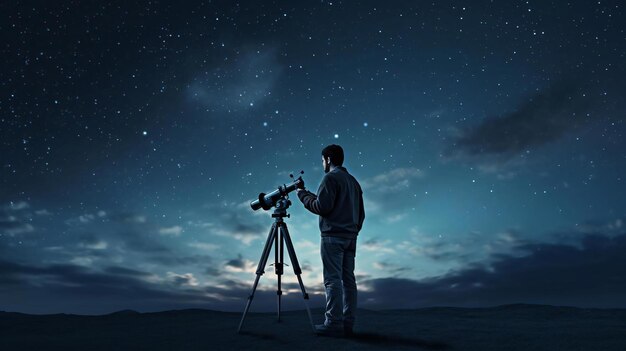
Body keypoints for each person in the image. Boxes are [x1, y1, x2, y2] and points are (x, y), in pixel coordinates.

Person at [296, 144, 365, 336]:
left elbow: (322, 207)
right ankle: (348, 323)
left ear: (327, 159)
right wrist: (353, 231)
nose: (322, 164)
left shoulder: (330, 178)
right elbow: (361, 214)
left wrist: (302, 196)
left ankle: (334, 323)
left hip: (332, 238)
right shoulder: (353, 182)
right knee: (349, 282)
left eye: (322, 160)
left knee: (332, 281)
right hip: (350, 238)